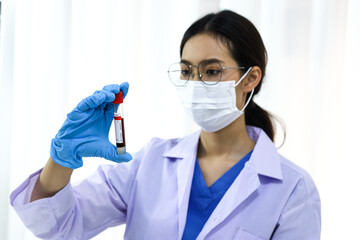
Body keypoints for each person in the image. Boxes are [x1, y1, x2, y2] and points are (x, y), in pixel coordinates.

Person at [10, 10, 321, 240]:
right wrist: (62, 159)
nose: (196, 82)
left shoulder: (293, 189)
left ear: (250, 78)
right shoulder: (151, 163)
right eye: (187, 71)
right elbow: (58, 226)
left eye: (211, 71)